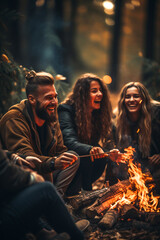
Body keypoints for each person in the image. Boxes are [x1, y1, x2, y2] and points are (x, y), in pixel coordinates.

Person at [0, 70, 80, 197]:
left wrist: (62, 158)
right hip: (20, 174)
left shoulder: (50, 115)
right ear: (32, 99)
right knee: (38, 167)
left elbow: (60, 150)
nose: (54, 102)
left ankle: (56, 197)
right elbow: (24, 156)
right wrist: (53, 162)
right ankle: (48, 201)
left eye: (55, 96)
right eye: (49, 98)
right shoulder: (14, 118)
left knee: (73, 157)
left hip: (45, 171)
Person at [0, 148, 90, 240]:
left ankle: (43, 231)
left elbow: (60, 148)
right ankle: (74, 235)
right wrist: (31, 177)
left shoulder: (52, 132)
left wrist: (13, 156)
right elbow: (4, 170)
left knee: (72, 156)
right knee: (46, 190)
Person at [58, 73, 121, 194]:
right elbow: (68, 141)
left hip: (85, 164)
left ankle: (88, 191)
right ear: (82, 94)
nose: (100, 94)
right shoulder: (65, 110)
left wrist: (110, 153)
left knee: (100, 156)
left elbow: (108, 138)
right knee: (88, 153)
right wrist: (91, 149)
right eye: (94, 91)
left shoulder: (97, 114)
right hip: (65, 163)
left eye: (100, 90)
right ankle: (84, 192)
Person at [112, 82, 160, 192]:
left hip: (155, 166)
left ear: (143, 98)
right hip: (136, 167)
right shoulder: (118, 119)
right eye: (127, 97)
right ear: (123, 100)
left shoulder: (157, 112)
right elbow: (114, 148)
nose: (132, 100)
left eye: (136, 96)